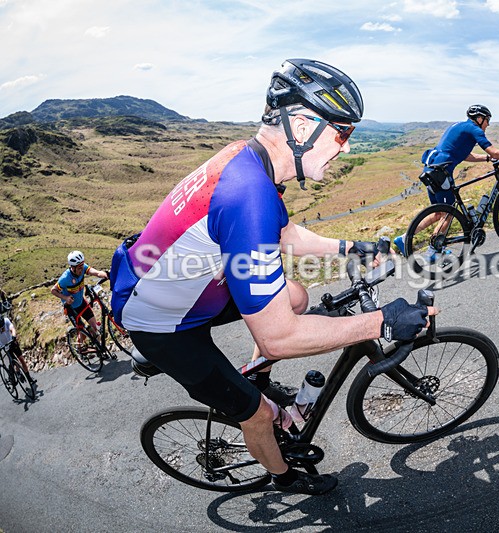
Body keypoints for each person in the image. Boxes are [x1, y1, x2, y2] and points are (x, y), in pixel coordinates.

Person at [109, 58, 434, 495]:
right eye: (343, 133)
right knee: (259, 414)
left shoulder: (249, 161)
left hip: (183, 290)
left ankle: (253, 377)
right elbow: (279, 339)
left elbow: (285, 234)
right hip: (164, 327)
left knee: (296, 296)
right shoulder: (248, 196)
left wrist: (350, 247)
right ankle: (284, 477)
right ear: (301, 129)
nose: (348, 147)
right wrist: (383, 321)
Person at [393, 105, 499, 257]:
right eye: (487, 120)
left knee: (439, 212)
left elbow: (465, 155)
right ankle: (433, 251)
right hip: (441, 173)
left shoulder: (458, 126)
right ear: (479, 118)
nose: (488, 124)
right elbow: (495, 152)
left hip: (431, 170)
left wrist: (486, 158)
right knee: (447, 214)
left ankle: (403, 238)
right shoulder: (474, 129)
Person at [51, 251, 109, 352]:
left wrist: (103, 274)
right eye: (79, 268)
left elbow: (95, 272)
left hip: (81, 302)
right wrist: (65, 298)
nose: (81, 269)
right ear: (72, 267)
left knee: (94, 327)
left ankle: (99, 349)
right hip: (71, 308)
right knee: (82, 332)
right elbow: (53, 290)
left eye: (82, 266)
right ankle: (79, 349)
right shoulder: (65, 278)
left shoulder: (82, 267)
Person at [0, 315, 35, 385]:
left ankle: (28, 377)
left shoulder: (6, 320)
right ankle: (16, 373)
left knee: (21, 359)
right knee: (13, 361)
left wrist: (13, 336)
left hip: (12, 342)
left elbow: (12, 328)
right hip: (5, 346)